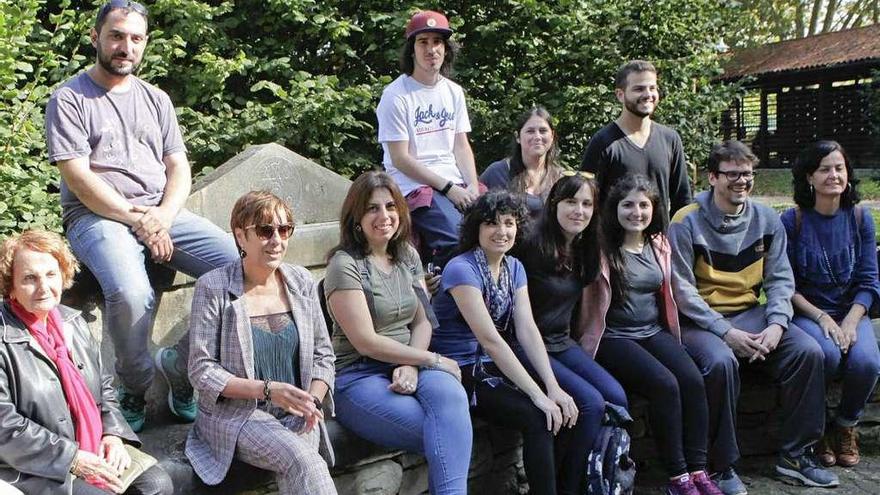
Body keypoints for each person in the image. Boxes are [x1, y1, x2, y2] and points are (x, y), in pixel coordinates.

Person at [44, 0, 239, 431]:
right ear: (96, 38)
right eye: (116, 36)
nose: (125, 46)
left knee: (243, 270)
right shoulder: (70, 98)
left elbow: (178, 168)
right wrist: (139, 219)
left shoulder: (156, 99)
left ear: (144, 44)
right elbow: (78, 178)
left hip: (161, 213)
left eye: (135, 38)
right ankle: (133, 386)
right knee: (131, 292)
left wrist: (164, 216)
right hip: (96, 217)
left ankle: (184, 367)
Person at [669, 140, 837, 491]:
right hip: (701, 321)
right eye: (732, 174)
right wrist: (725, 333)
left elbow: (779, 279)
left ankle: (795, 455)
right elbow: (681, 291)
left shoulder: (765, 218)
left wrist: (777, 323)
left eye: (747, 174)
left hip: (751, 312)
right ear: (712, 178)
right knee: (720, 364)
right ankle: (721, 465)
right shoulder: (686, 221)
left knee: (808, 352)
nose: (741, 182)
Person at [324, 171, 472, 494]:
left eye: (390, 206)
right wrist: (432, 359)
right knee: (446, 431)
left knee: (452, 400)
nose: (384, 216)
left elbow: (422, 321)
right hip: (358, 375)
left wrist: (413, 364)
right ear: (356, 217)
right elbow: (366, 341)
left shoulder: (406, 254)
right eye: (372, 208)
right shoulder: (344, 265)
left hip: (409, 361)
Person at [576, 175, 721, 495]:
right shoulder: (600, 248)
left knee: (694, 380)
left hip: (653, 331)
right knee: (665, 385)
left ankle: (699, 470)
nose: (636, 212)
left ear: (655, 209)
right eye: (627, 205)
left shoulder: (659, 243)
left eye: (644, 205)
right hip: (613, 337)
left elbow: (673, 291)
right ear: (614, 208)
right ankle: (677, 476)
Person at [0, 230, 173, 495]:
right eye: (29, 279)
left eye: (50, 274)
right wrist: (73, 458)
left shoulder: (72, 322)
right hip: (31, 466)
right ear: (10, 286)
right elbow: (5, 426)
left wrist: (113, 435)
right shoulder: (4, 338)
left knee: (156, 485)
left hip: (89, 445)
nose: (44, 287)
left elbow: (103, 388)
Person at [186, 191, 336, 494]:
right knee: (306, 463)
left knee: (303, 465)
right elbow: (201, 370)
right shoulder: (213, 287)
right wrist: (268, 390)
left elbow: (323, 355)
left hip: (298, 411)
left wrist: (312, 401)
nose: (277, 240)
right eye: (266, 231)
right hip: (240, 416)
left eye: (284, 230)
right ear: (241, 236)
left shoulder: (301, 280)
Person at [430, 190, 577, 495]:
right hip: (462, 368)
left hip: (491, 363)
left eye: (509, 223)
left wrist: (552, 386)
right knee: (538, 415)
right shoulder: (462, 268)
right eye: (491, 224)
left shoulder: (514, 267)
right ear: (476, 229)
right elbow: (491, 340)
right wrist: (537, 395)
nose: (502, 231)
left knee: (568, 403)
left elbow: (527, 329)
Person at [514, 173, 629, 494]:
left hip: (562, 343)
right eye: (570, 202)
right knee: (590, 404)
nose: (578, 210)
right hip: (526, 345)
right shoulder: (531, 246)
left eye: (586, 204)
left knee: (616, 397)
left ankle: (591, 478)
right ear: (554, 204)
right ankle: (567, 487)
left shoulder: (587, 247)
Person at [781, 140, 880, 468]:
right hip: (808, 311)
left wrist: (851, 321)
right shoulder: (791, 221)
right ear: (809, 177)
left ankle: (845, 425)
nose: (833, 175)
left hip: (852, 310)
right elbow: (786, 285)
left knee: (865, 361)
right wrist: (822, 317)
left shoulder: (861, 218)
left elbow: (869, 281)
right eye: (824, 169)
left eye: (839, 168)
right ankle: (818, 426)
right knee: (827, 354)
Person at [376, 10, 480, 268]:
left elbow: (461, 145)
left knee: (498, 230)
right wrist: (449, 188)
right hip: (415, 187)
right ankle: (442, 303)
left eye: (437, 42)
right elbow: (400, 159)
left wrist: (473, 186)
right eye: (423, 42)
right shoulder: (396, 96)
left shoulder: (453, 92)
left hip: (454, 183)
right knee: (457, 239)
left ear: (446, 49)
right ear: (412, 49)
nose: (431, 49)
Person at [580, 60, 692, 221]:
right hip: (613, 244)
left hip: (660, 243)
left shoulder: (670, 139)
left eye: (652, 88)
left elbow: (682, 200)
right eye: (639, 89)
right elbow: (586, 200)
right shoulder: (604, 142)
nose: (648, 95)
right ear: (620, 95)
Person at [481, 106, 564, 216]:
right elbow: (474, 214)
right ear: (518, 137)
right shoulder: (497, 173)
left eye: (543, 131)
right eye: (530, 131)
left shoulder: (561, 178)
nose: (537, 136)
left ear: (552, 136)